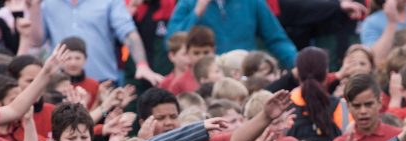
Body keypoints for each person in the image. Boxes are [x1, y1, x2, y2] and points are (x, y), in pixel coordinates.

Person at [30, 0, 163, 85]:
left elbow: (128, 33)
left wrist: (142, 64)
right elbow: (37, 41)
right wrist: (34, 7)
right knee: (66, 128)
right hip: (62, 85)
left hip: (103, 84)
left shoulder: (110, 2)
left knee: (104, 123)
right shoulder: (47, 3)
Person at [168, 0, 297, 69]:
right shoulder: (189, 3)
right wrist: (196, 13)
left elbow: (276, 40)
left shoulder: (253, 2)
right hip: (207, 78)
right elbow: (171, 42)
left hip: (245, 74)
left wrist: (298, 63)